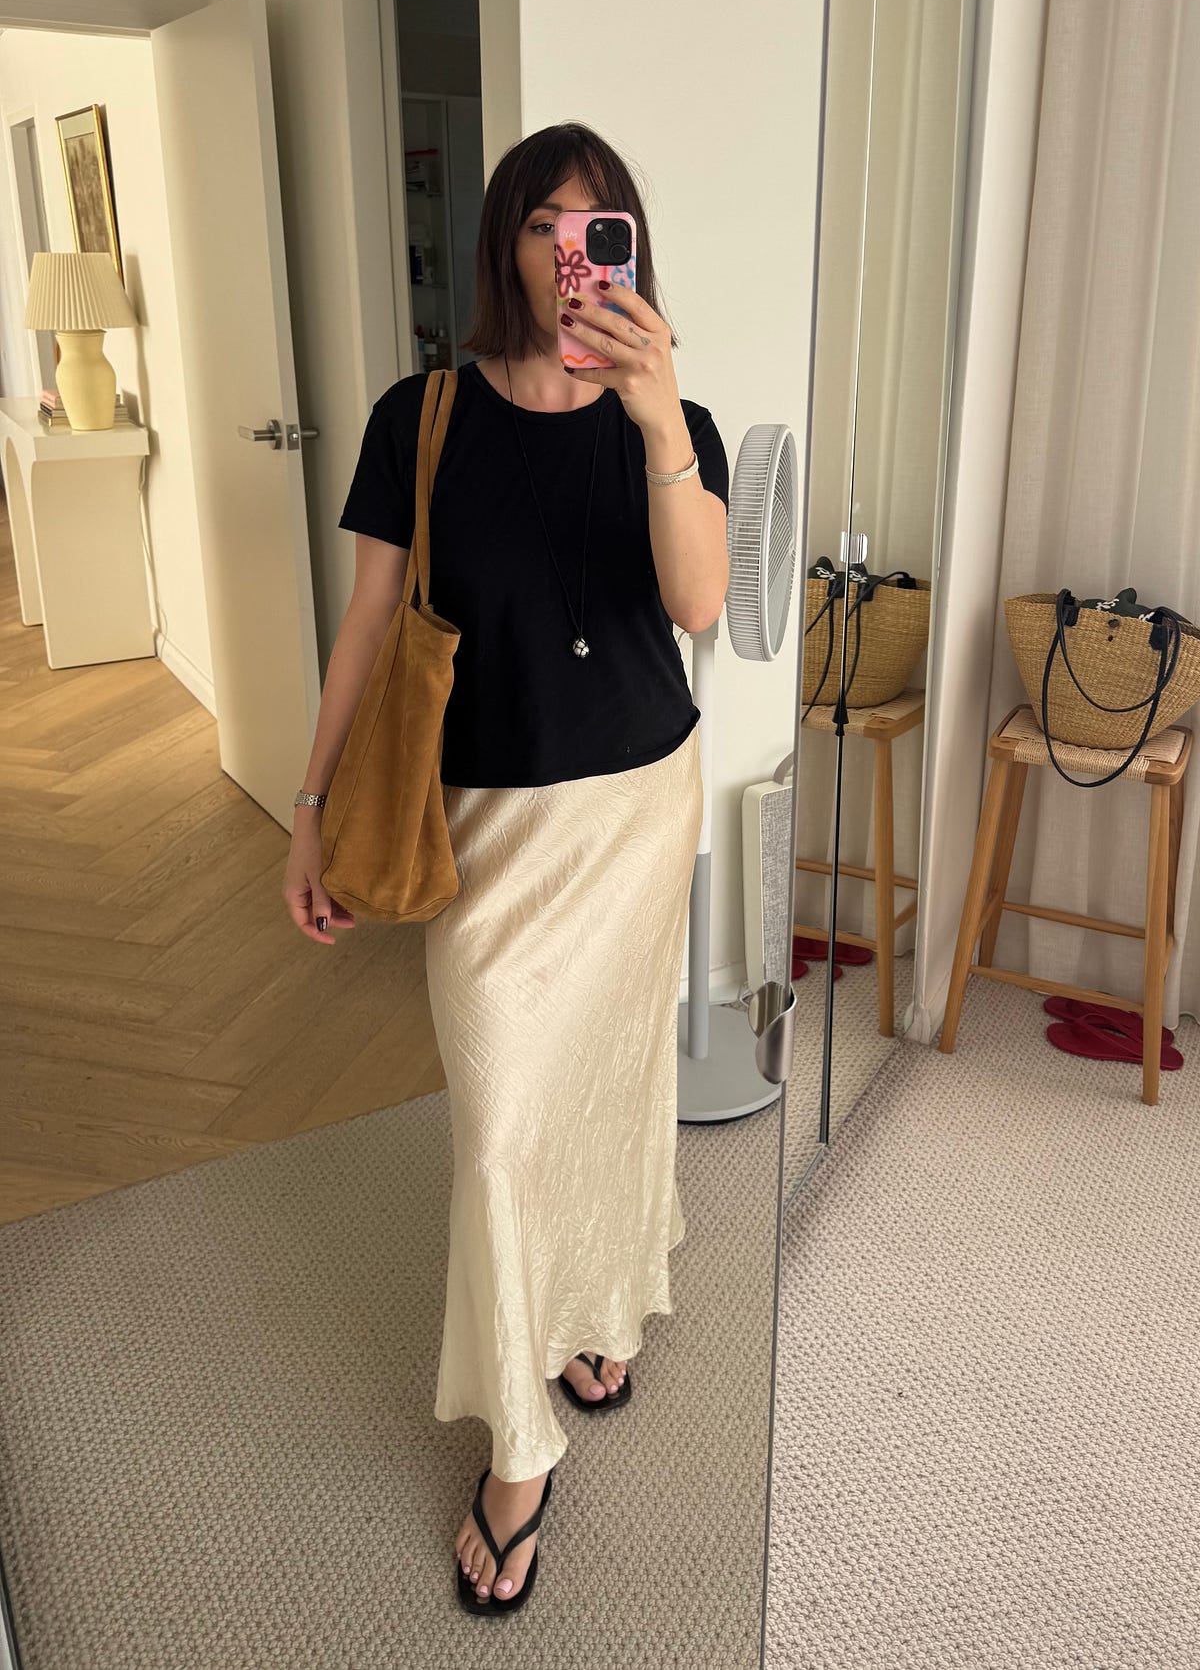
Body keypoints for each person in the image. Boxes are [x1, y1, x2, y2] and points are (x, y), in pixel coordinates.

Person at [282, 122, 731, 1615]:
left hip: (638, 811)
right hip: (485, 830)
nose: (570, 257)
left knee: (610, 1081)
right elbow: (367, 623)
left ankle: (592, 1317)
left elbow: (699, 604)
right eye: (545, 226)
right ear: (506, 245)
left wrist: (659, 422)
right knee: (498, 1130)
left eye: (598, 230)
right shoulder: (419, 416)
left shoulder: (674, 418)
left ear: (630, 251)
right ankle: (519, 1433)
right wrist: (309, 805)